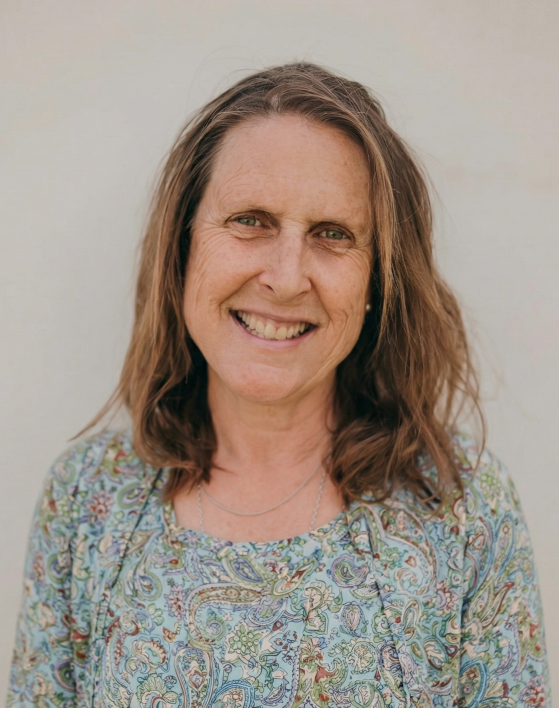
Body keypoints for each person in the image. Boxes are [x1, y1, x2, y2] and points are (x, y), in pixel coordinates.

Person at [7, 63, 550, 708]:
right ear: (181, 249)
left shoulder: (463, 508)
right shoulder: (86, 501)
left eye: (332, 234)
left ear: (377, 281)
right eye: (250, 220)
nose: (287, 278)